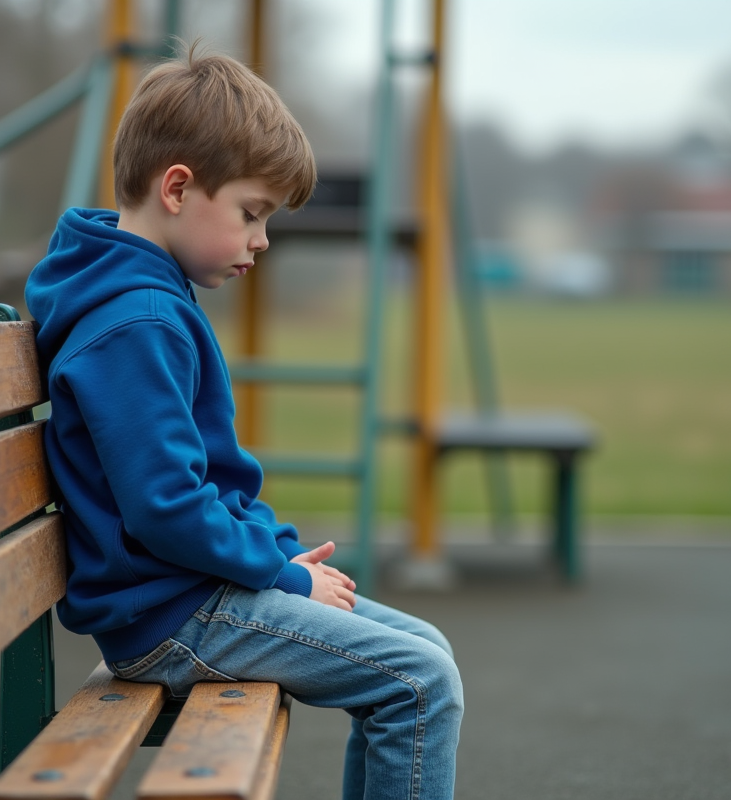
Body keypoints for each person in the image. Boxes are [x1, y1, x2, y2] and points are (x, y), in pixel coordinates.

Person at [25, 45, 463, 800]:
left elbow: (203, 486)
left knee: (424, 648)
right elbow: (167, 510)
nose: (262, 240)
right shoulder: (139, 321)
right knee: (419, 683)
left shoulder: (134, 295)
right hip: (173, 616)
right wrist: (282, 574)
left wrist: (280, 555)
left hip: (186, 593)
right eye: (251, 214)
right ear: (177, 188)